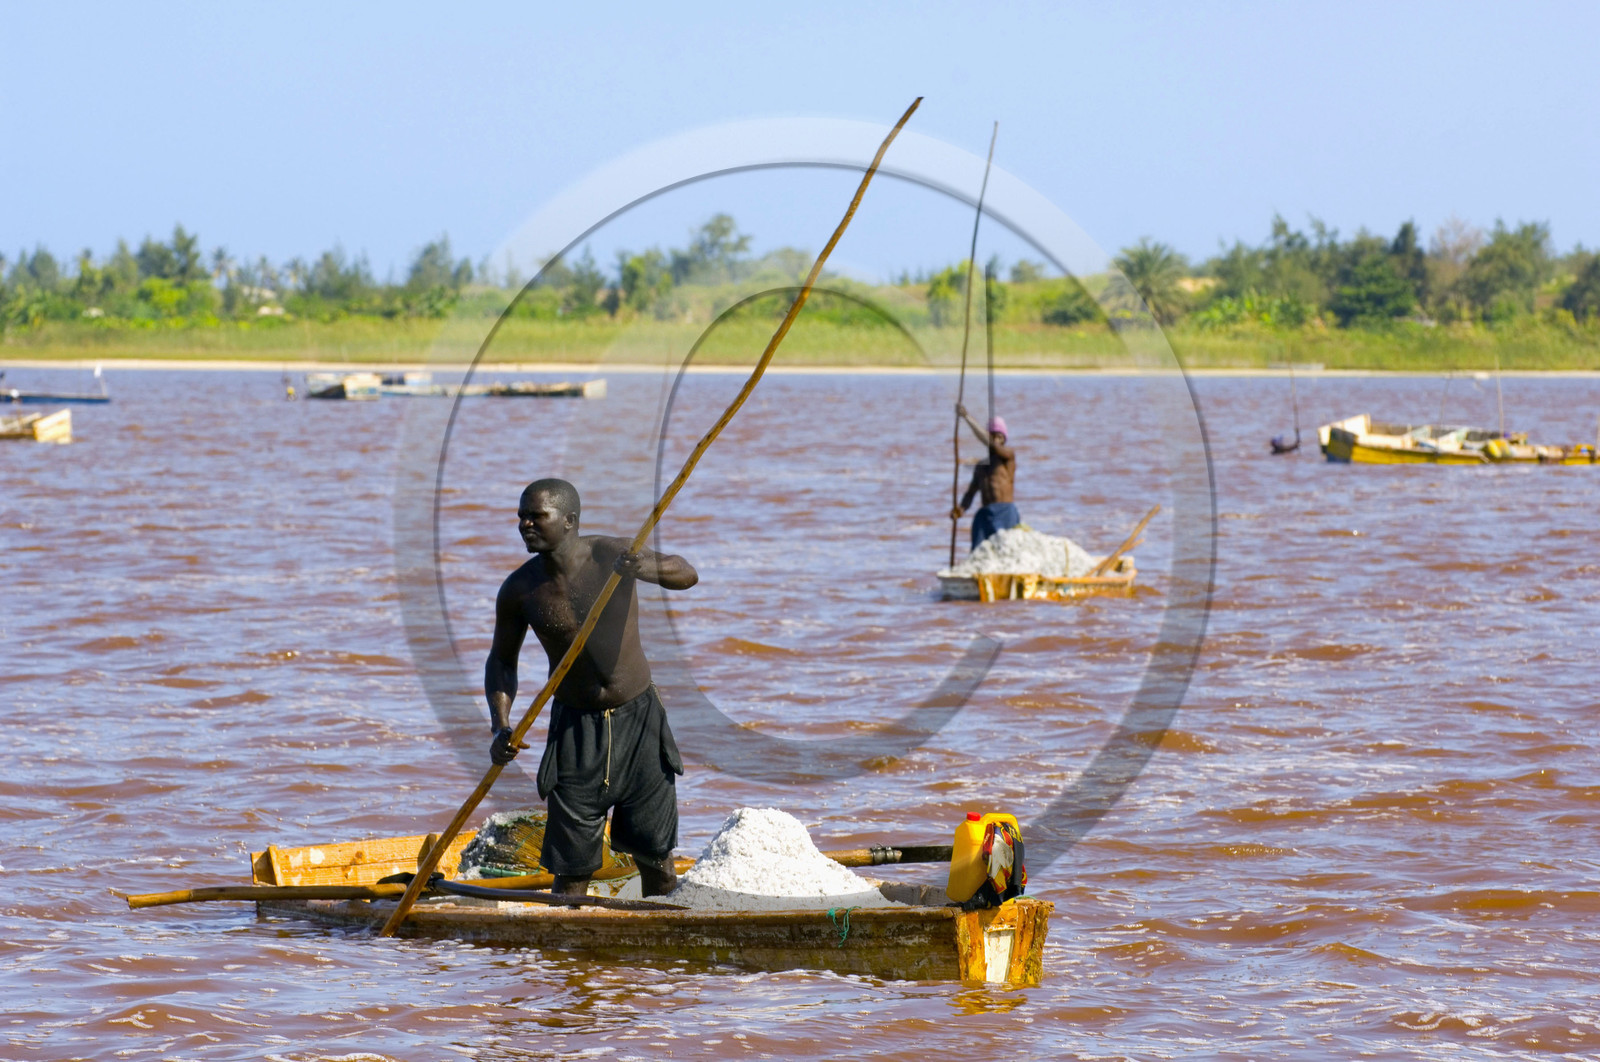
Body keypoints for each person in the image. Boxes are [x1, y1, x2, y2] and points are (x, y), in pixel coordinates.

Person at [484, 478, 699, 898]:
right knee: (571, 870)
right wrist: (500, 726)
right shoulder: (520, 589)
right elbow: (501, 662)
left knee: (655, 857)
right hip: (574, 732)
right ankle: (569, 956)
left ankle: (660, 953)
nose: (525, 524)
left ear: (569, 521)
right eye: (521, 517)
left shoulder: (612, 555)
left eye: (536, 516)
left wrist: (643, 568)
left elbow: (686, 573)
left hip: (639, 723)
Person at [949, 404, 1020, 550]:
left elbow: (991, 445)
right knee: (979, 550)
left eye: (999, 437)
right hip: (986, 514)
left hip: (1005, 511)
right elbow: (971, 492)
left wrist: (966, 417)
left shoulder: (1007, 456)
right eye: (993, 436)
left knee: (1006, 550)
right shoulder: (981, 466)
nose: (996, 440)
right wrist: (960, 509)